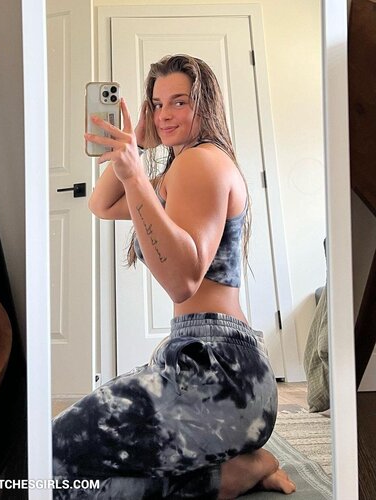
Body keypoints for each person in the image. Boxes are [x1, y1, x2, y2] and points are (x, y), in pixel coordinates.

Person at [52, 54, 296, 499]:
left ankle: (240, 468)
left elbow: (184, 282)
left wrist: (134, 173)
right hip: (207, 364)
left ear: (205, 104)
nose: (165, 114)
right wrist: (137, 145)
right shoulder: (178, 171)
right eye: (157, 103)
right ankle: (229, 475)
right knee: (76, 482)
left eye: (179, 102)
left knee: (50, 454)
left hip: (217, 373)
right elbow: (101, 205)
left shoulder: (201, 162)